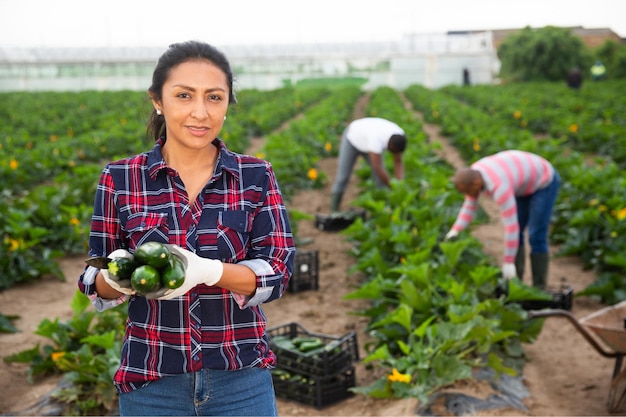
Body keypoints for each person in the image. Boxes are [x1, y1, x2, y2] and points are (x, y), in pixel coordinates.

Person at [78, 40, 295, 416]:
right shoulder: (120, 178)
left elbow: (278, 272)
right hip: (151, 381)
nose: (200, 112)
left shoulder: (255, 175)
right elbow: (91, 279)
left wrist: (210, 272)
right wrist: (117, 276)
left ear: (228, 103)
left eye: (214, 97)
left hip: (240, 380)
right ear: (157, 101)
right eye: (183, 96)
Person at [444, 150, 560, 289]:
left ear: (476, 184)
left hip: (543, 181)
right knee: (519, 233)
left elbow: (511, 227)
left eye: (468, 192)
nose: (468, 195)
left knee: (536, 235)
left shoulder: (500, 187)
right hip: (522, 182)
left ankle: (539, 288)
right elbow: (469, 207)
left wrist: (508, 262)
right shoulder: (474, 174)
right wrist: (454, 231)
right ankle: (516, 285)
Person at [330, 117, 407, 212]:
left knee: (379, 179)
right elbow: (378, 168)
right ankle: (334, 210)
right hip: (352, 139)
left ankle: (383, 208)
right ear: (389, 146)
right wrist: (391, 185)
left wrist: (400, 184)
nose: (394, 154)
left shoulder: (399, 136)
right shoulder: (376, 140)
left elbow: (398, 161)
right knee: (343, 176)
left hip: (367, 140)